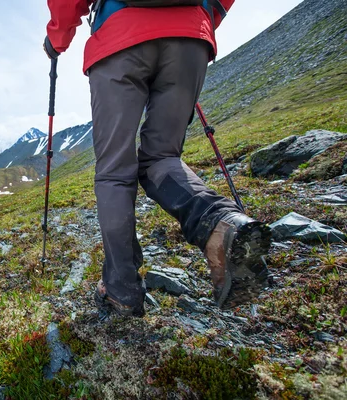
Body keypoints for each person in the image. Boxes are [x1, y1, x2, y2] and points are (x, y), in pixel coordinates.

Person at [44, 0, 272, 317]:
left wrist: (57, 37)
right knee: (161, 157)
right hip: (190, 37)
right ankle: (222, 223)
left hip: (119, 39)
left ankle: (121, 291)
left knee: (114, 173)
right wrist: (201, 18)